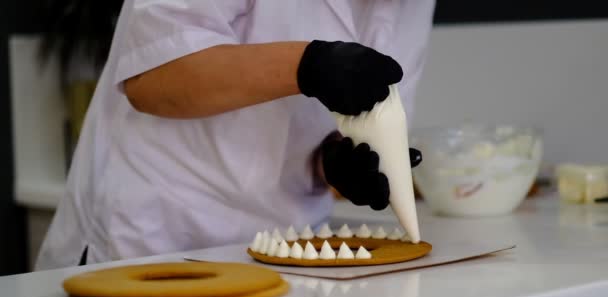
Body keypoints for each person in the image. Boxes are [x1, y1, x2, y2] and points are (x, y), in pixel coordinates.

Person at [35, 1, 435, 270]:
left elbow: (352, 117)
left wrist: (336, 166)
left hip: (284, 254)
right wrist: (309, 64)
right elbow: (153, 76)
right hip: (150, 239)